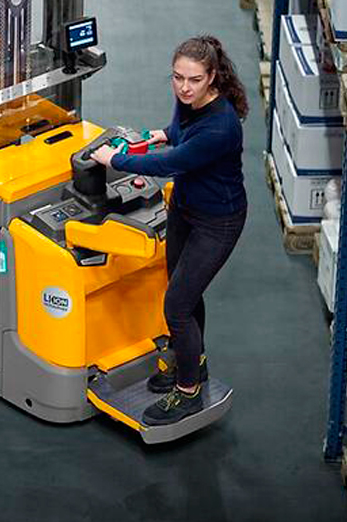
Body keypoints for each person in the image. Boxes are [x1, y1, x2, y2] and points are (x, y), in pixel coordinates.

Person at [90, 35, 248, 426]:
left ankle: (188, 393)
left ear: (212, 77)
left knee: (176, 306)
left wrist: (116, 159)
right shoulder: (190, 103)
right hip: (184, 210)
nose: (184, 88)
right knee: (184, 292)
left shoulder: (222, 127)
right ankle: (195, 363)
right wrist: (164, 133)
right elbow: (182, 132)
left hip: (218, 221)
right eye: (178, 78)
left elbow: (172, 163)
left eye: (194, 80)